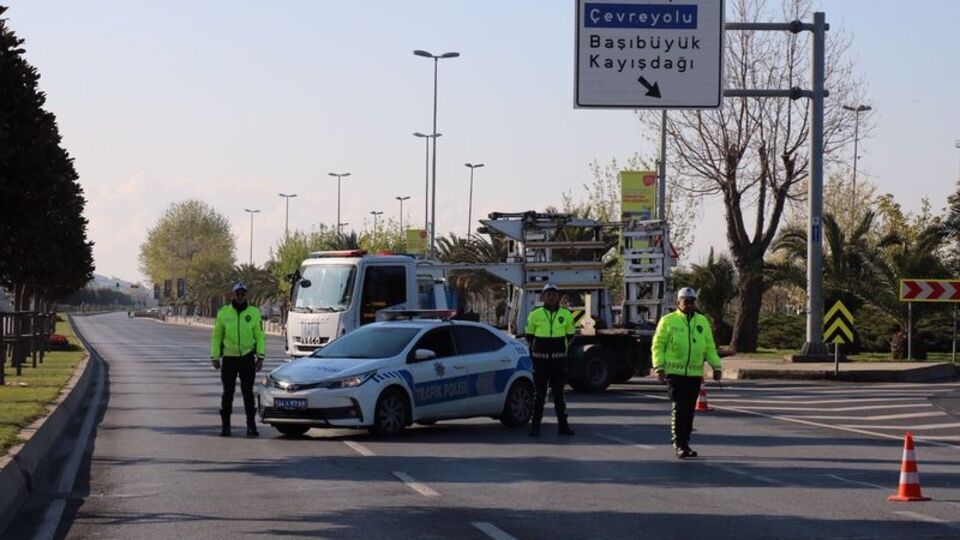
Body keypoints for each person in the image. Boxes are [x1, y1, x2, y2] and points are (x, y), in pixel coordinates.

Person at [652, 287, 723, 459]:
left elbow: (709, 347)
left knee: (689, 410)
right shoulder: (668, 321)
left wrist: (716, 366)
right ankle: (679, 444)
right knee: (680, 408)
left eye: (692, 301)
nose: (689, 304)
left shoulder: (702, 321)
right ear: (679, 302)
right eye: (686, 301)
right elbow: (658, 345)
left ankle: (686, 442)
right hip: (674, 373)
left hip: (694, 373)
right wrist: (659, 367)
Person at [211, 282, 266, 437]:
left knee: (248, 393)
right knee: (228, 393)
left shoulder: (254, 313)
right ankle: (226, 426)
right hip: (229, 358)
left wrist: (260, 357)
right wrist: (215, 356)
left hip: (247, 358)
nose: (240, 297)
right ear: (232, 295)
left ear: (245, 295)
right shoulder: (223, 313)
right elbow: (216, 337)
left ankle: (251, 425)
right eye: (237, 294)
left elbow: (260, 336)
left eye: (242, 294)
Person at [525, 283, 576, 437]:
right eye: (548, 294)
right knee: (539, 395)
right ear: (543, 297)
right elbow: (529, 335)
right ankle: (535, 427)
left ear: (558, 297)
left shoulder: (566, 314)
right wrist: (537, 350)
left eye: (554, 294)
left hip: (558, 362)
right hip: (541, 362)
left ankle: (563, 426)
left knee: (559, 396)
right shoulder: (535, 314)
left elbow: (570, 333)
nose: (551, 297)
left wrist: (562, 347)